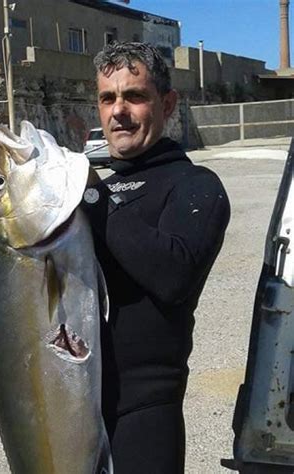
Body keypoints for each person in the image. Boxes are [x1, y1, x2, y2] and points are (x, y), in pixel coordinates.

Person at [81, 42, 231, 473]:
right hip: (74, 413)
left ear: (167, 103)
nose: (118, 111)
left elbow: (174, 274)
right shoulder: (101, 192)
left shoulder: (194, 185)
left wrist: (92, 197)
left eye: (135, 96)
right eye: (108, 98)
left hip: (145, 415)